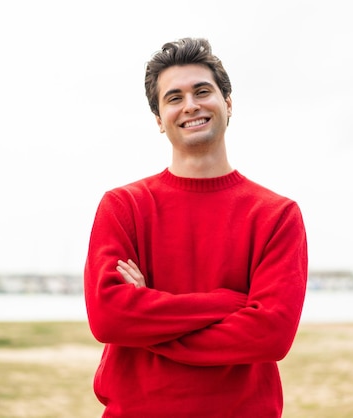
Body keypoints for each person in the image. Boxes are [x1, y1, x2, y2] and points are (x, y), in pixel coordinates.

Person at [84, 37, 308, 418]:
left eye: (202, 91)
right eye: (174, 98)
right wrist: (225, 303)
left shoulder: (277, 215)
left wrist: (149, 322)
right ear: (159, 119)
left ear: (228, 103)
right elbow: (109, 317)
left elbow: (271, 334)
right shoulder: (123, 207)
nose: (190, 105)